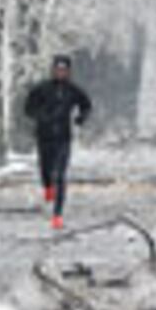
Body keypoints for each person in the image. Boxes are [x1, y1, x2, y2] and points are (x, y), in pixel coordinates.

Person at [24, 54, 92, 229]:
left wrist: (80, 118)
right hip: (44, 136)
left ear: (69, 72)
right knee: (46, 170)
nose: (60, 73)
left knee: (60, 175)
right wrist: (40, 116)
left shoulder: (73, 90)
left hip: (63, 137)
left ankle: (57, 215)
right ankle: (47, 187)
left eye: (64, 70)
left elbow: (86, 105)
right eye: (57, 69)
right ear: (52, 70)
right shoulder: (42, 88)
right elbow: (28, 108)